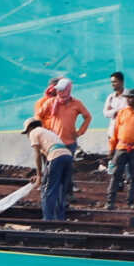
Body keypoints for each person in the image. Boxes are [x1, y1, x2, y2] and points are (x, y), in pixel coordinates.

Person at [39, 76, 91, 221]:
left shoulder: (76, 104)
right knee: (52, 180)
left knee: (63, 180)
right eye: (58, 90)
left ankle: (59, 211)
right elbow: (38, 116)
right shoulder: (51, 102)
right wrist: (45, 130)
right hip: (53, 146)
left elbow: (87, 117)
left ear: (68, 90)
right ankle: (51, 214)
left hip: (69, 144)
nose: (60, 93)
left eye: (62, 90)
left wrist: (80, 132)